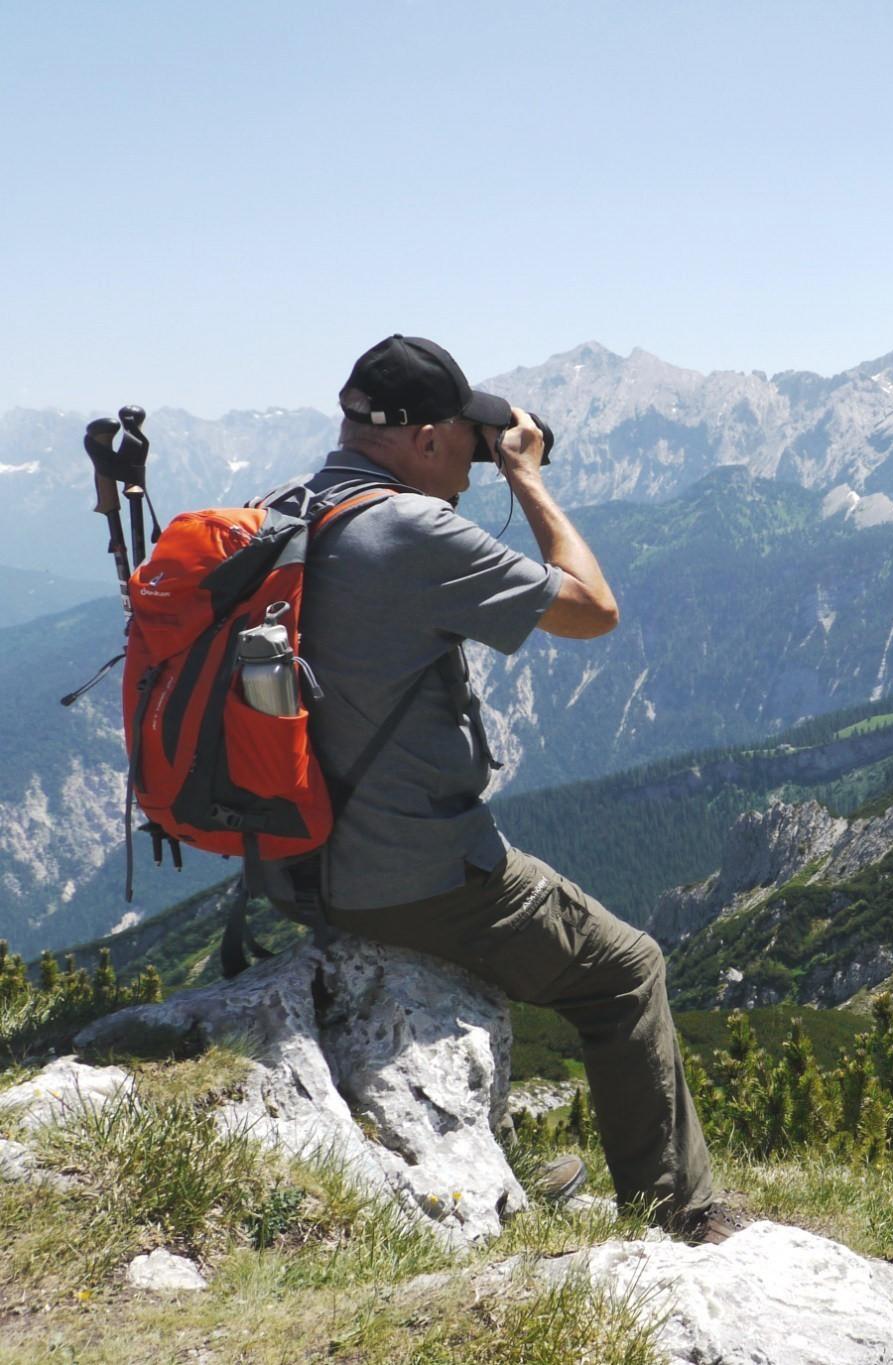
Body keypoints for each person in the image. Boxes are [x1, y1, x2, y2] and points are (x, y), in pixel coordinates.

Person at [284, 334, 738, 1243]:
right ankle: (680, 1214)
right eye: (464, 438)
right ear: (421, 440)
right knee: (627, 970)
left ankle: (502, 1166)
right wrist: (528, 479)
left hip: (296, 862)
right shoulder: (412, 530)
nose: (474, 459)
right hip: (413, 873)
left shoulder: (294, 511)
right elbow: (592, 608)